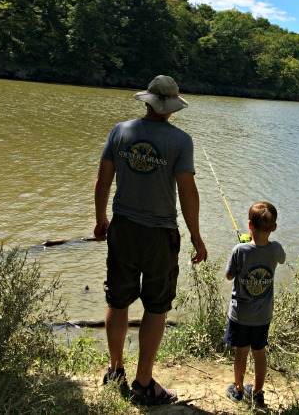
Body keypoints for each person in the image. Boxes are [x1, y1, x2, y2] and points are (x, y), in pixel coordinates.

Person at [94, 75, 208, 406]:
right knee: (156, 307)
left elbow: (103, 179)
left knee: (117, 301)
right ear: (171, 107)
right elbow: (188, 192)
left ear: (146, 102)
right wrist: (197, 237)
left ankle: (115, 369)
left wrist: (101, 218)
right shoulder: (181, 141)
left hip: (124, 228)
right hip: (160, 236)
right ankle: (143, 383)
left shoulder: (120, 131)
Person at [223, 201, 286, 408]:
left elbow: (229, 275)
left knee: (241, 351)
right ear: (274, 227)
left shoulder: (240, 250)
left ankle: (239, 390)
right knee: (259, 353)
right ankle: (258, 393)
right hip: (263, 316)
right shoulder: (276, 249)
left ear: (250, 225)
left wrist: (244, 244)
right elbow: (282, 259)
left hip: (241, 315)